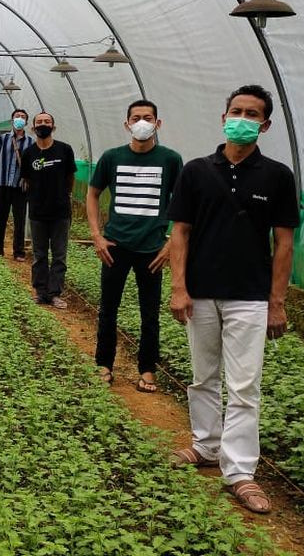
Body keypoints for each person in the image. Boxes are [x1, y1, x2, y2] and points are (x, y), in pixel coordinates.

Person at [168, 84, 298, 515]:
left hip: (249, 297)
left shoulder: (277, 176)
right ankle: (205, 446)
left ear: (265, 124)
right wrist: (179, 287)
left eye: (251, 113)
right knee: (203, 376)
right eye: (236, 110)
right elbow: (180, 233)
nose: (242, 118)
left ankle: (240, 471)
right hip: (201, 293)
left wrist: (276, 301)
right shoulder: (196, 171)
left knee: (245, 386)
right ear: (224, 116)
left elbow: (283, 243)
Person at [87, 100, 183, 391]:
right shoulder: (111, 157)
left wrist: (170, 245)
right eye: (137, 118)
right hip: (115, 245)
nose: (142, 123)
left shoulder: (170, 159)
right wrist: (97, 235)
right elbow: (92, 195)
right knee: (108, 309)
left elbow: (181, 207)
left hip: (152, 249)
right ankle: (103, 363)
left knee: (150, 312)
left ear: (158, 123)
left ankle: (148, 369)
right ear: (127, 124)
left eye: (148, 118)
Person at [21, 112, 76, 308]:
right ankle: (40, 292)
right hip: (37, 212)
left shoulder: (64, 150)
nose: (43, 125)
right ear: (33, 128)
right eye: (39, 122)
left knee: (59, 255)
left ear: (53, 126)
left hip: (60, 212)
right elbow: (26, 179)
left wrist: (63, 195)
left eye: (47, 122)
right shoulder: (28, 153)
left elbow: (70, 177)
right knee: (39, 255)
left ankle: (54, 294)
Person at [0, 108, 33, 260]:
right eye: (17, 116)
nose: (20, 119)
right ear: (12, 120)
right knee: (0, 218)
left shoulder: (30, 142)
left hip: (20, 187)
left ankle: (19, 252)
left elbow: (30, 164)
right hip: (2, 184)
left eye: (23, 117)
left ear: (26, 122)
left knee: (19, 220)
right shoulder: (2, 139)